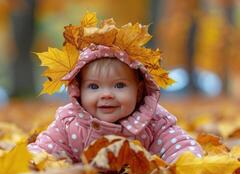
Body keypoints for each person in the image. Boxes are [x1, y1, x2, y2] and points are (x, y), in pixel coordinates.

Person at [28, 13, 203, 164]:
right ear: (79, 90)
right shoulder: (70, 123)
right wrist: (33, 162)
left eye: (119, 85)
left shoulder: (152, 121)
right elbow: (43, 149)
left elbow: (180, 146)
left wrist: (188, 163)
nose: (106, 95)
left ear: (139, 90)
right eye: (94, 86)